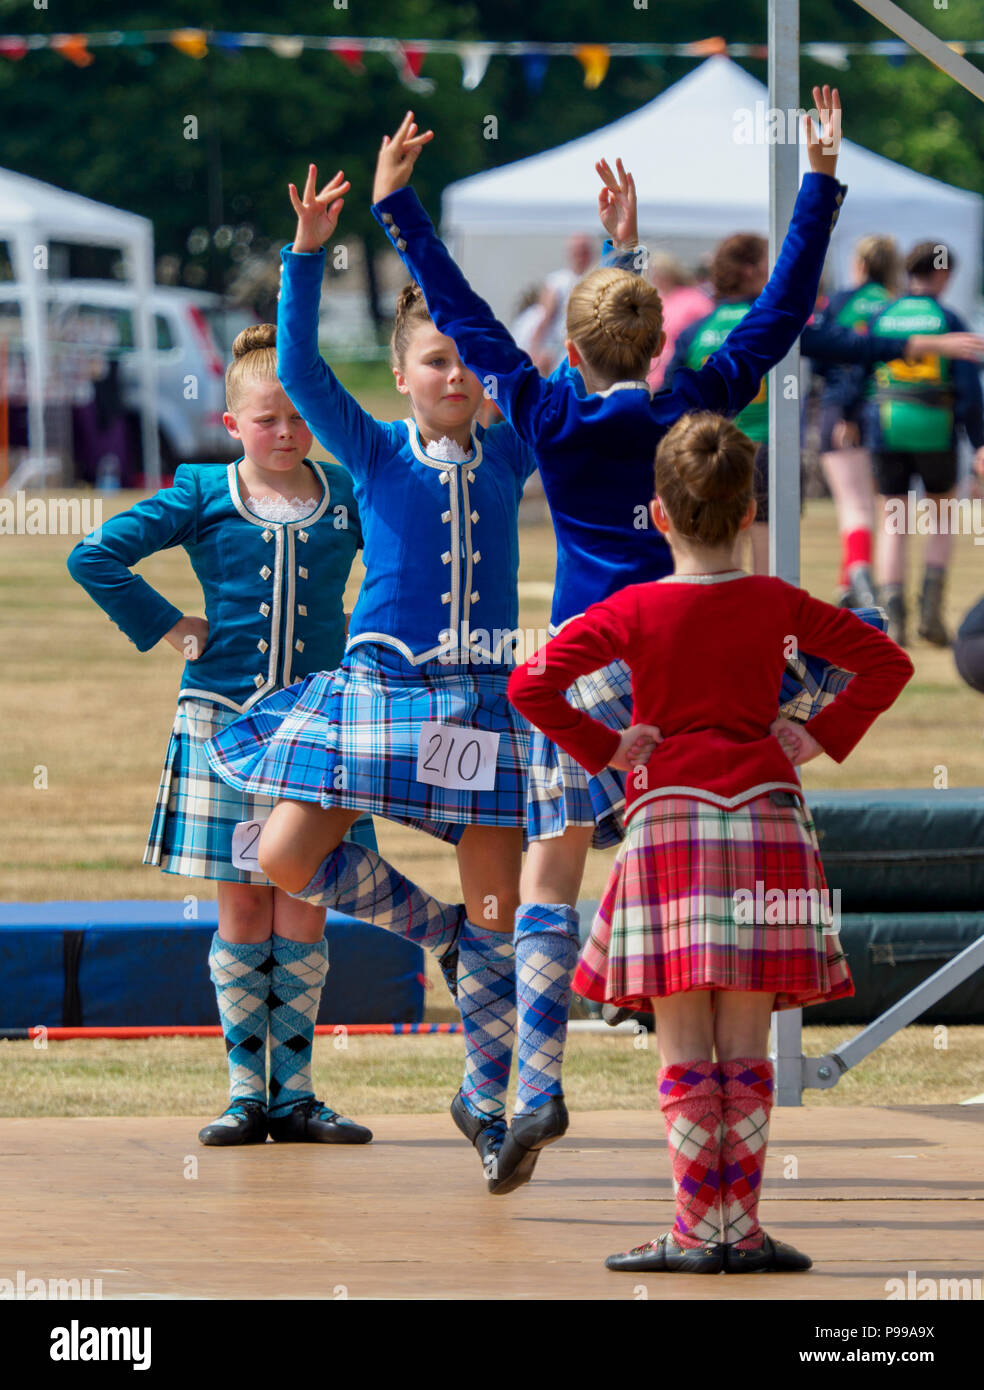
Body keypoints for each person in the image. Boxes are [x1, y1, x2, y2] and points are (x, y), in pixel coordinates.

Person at [370, 89, 851, 1193]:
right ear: (658, 340)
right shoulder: (691, 410)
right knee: (695, 866)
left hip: (587, 669)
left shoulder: (545, 414)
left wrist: (400, 209)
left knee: (551, 879)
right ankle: (714, 1107)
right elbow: (779, 315)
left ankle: (534, 1082)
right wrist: (818, 183)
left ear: (571, 342)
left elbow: (467, 313)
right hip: (694, 658)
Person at [508, 411, 913, 1273]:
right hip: (768, 821)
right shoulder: (780, 605)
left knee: (684, 1037)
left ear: (658, 515)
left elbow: (530, 683)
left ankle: (696, 1233)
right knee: (747, 1041)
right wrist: (817, 734)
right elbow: (888, 662)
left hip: (669, 828)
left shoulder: (633, 610)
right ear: (749, 512)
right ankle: (743, 1230)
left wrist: (606, 750)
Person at [66, 324, 376, 1148]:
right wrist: (170, 625)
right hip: (225, 728)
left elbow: (394, 573)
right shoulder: (203, 490)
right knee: (243, 905)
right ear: (232, 424)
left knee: (306, 902)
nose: (285, 433)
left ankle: (298, 1094)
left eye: (299, 418)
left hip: (321, 730)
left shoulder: (346, 493)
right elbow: (95, 555)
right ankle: (247, 1092)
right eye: (267, 420)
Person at [865, 241, 984, 647]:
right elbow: (969, 389)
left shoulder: (884, 313)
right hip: (936, 427)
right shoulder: (947, 317)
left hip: (886, 426)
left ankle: (893, 620)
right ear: (942, 273)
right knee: (940, 518)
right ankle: (931, 617)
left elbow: (861, 367)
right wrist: (980, 440)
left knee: (893, 521)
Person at [813, 235, 900, 607]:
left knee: (854, 506)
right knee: (880, 506)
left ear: (860, 265)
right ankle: (847, 586)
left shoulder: (838, 302)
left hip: (839, 410)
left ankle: (860, 582)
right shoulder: (896, 305)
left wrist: (845, 410)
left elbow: (821, 357)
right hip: (889, 412)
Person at [644, 253, 713, 391]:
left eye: (663, 272)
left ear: (673, 273)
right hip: (652, 375)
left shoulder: (694, 298)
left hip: (682, 369)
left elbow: (708, 327)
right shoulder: (652, 299)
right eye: (654, 271)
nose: (658, 276)